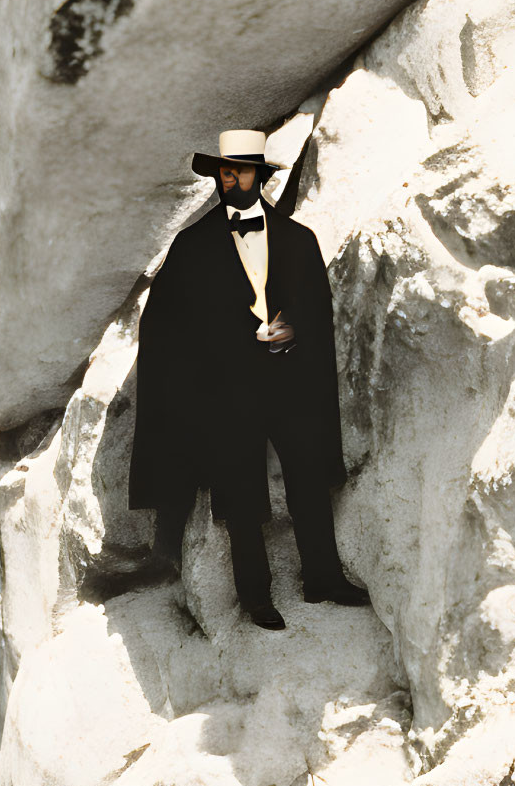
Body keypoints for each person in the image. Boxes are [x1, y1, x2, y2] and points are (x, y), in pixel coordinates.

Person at [127, 129, 369, 629]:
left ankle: (322, 577)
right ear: (217, 176)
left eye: (241, 171)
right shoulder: (191, 247)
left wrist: (291, 329)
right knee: (239, 493)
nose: (232, 179)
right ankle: (256, 596)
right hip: (226, 389)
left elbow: (316, 307)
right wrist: (210, 360)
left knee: (308, 477)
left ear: (258, 176)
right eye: (224, 171)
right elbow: (165, 325)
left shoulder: (299, 240)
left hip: (290, 382)